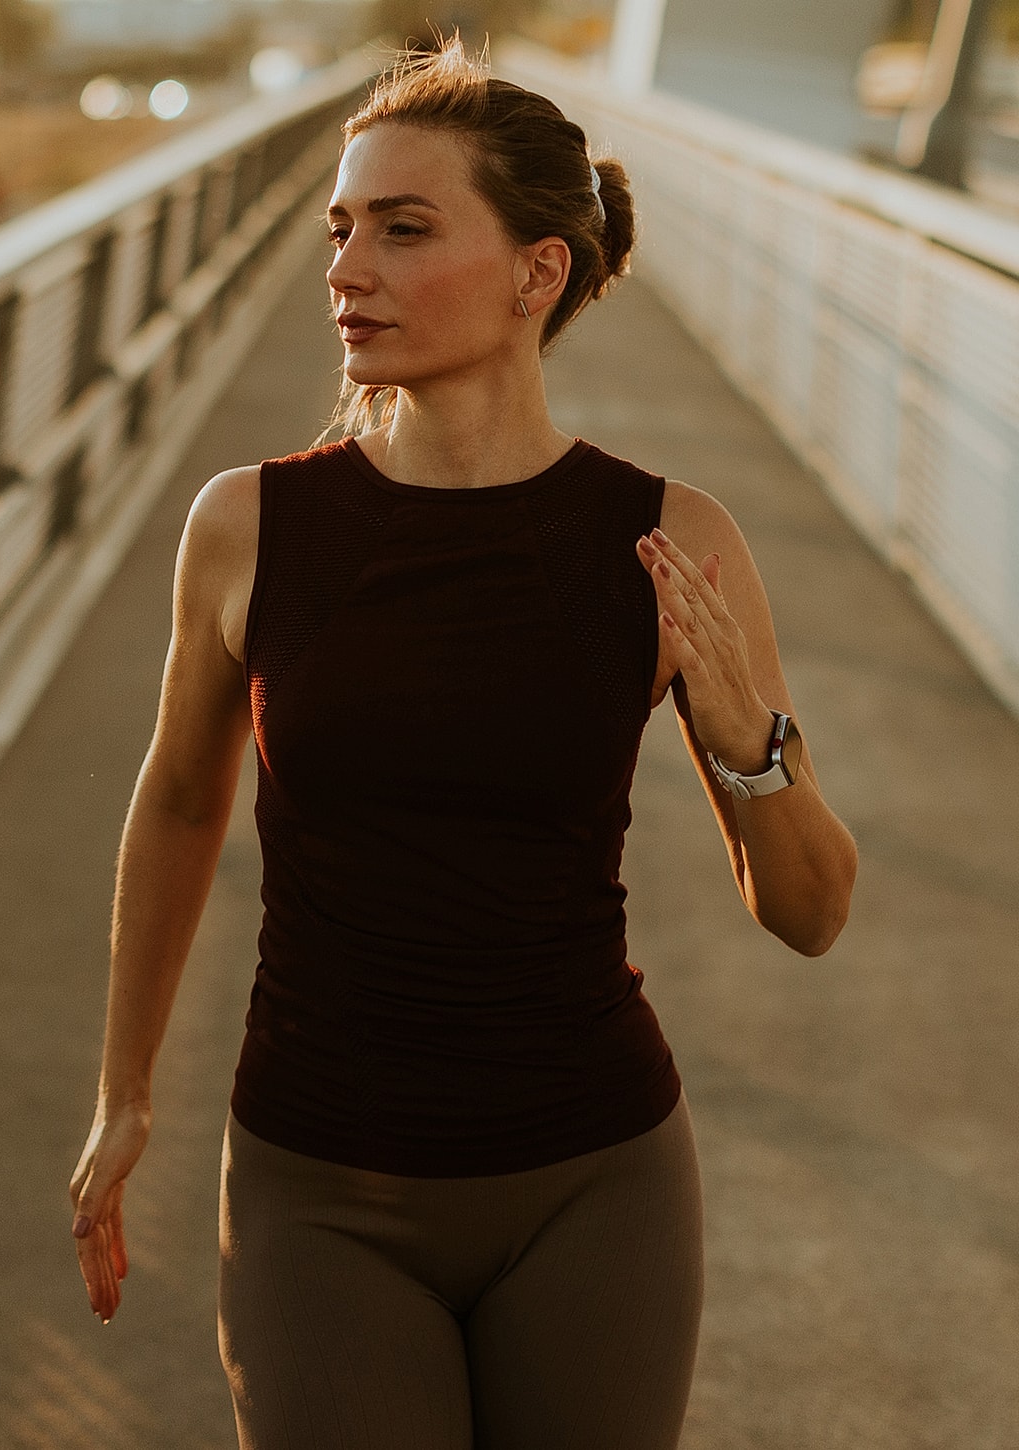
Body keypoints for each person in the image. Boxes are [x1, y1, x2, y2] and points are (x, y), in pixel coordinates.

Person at [69, 38, 857, 1450]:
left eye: (404, 228)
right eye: (341, 227)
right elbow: (181, 802)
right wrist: (127, 1094)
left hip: (594, 1180)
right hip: (318, 1187)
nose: (345, 268)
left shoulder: (672, 542)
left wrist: (749, 741)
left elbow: (809, 911)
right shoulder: (249, 528)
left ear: (537, 273)